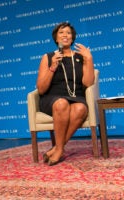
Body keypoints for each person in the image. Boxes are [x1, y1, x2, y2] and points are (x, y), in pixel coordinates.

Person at [36, 22, 95, 166]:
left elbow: (88, 83)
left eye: (68, 33)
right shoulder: (48, 57)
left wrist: (89, 59)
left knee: (81, 108)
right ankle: (58, 150)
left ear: (72, 37)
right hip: (52, 98)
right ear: (56, 38)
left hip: (76, 97)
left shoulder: (82, 57)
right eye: (61, 33)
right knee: (62, 103)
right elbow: (41, 88)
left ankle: (58, 148)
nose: (65, 35)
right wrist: (52, 68)